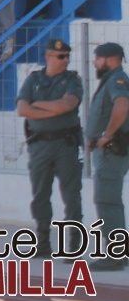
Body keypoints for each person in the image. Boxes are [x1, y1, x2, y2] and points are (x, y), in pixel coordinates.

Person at [16, 39, 83, 257]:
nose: (65, 60)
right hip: (39, 144)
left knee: (71, 195)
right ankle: (42, 243)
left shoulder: (72, 80)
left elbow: (67, 105)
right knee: (40, 195)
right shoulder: (34, 79)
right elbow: (22, 109)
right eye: (60, 56)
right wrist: (51, 111)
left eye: (67, 56)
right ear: (48, 56)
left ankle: (73, 245)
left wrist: (38, 105)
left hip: (65, 144)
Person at [86, 42, 129, 271]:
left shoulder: (116, 80)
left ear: (109, 59)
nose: (95, 62)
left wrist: (106, 135)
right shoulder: (112, 80)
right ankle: (120, 251)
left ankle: (114, 256)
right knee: (111, 202)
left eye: (97, 58)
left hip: (111, 151)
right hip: (110, 151)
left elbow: (122, 105)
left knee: (107, 201)